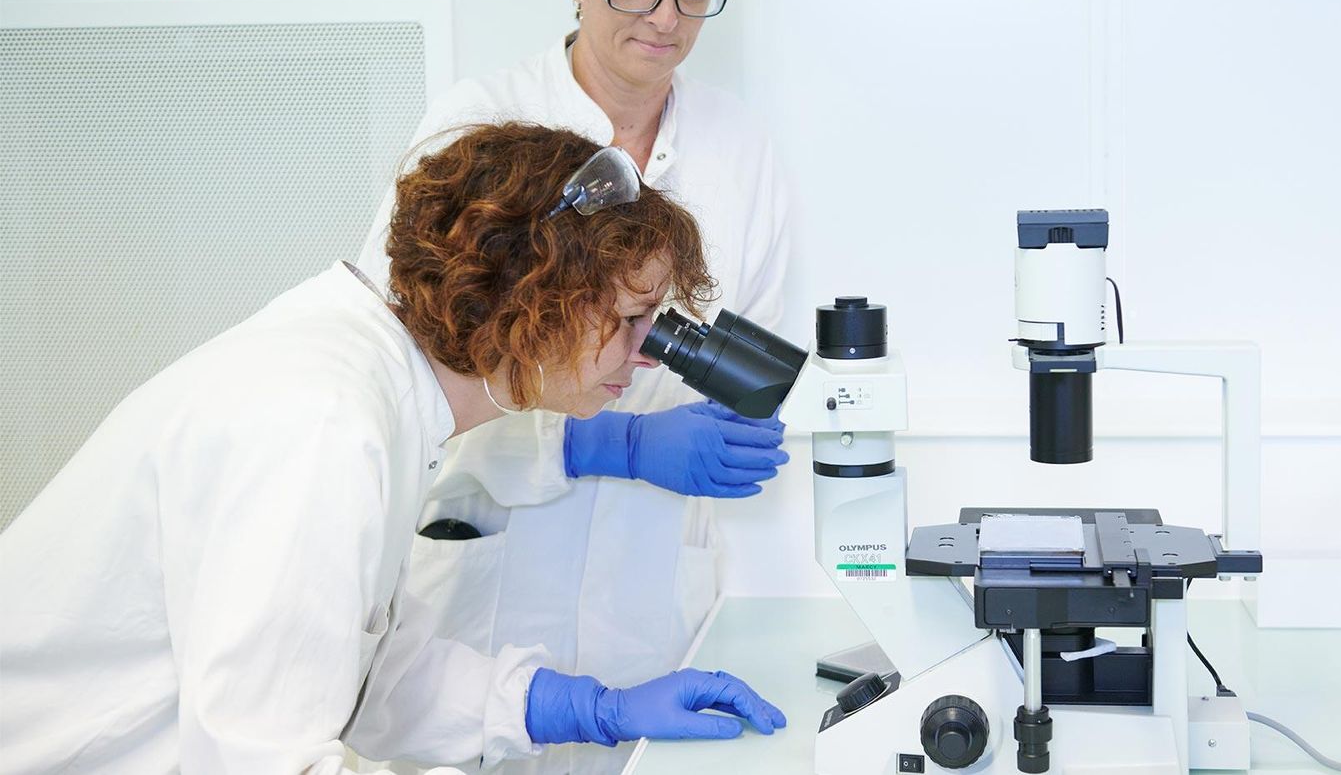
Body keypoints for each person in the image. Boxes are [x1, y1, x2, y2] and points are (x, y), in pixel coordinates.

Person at [0, 123, 785, 774]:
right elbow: (263, 760)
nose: (649, 354)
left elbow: (364, 678)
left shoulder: (378, 391)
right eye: (627, 321)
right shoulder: (325, 426)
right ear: (530, 299)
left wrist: (586, 710)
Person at [354, 0, 789, 772]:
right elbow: (405, 384)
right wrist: (605, 445)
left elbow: (750, 347)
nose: (666, 18)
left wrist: (741, 433)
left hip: (654, 595)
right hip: (492, 593)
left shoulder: (740, 148)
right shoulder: (479, 130)